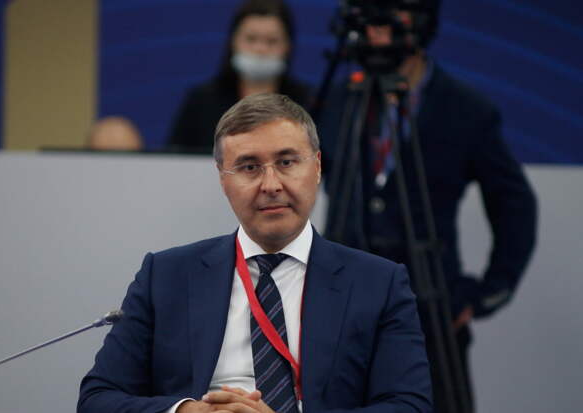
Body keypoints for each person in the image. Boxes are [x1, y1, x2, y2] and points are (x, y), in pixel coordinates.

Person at [78, 93, 432, 413]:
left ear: (317, 167)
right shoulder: (166, 276)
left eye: (287, 162)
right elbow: (97, 399)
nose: (271, 185)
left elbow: (410, 406)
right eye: (249, 167)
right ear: (223, 178)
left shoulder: (378, 283)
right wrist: (185, 412)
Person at [317, 1, 537, 411]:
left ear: (420, 23)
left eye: (390, 16)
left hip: (430, 316)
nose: (377, 31)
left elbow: (515, 203)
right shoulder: (339, 99)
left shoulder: (466, 108)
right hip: (340, 315)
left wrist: (487, 291)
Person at [166, 0, 311, 153]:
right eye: (251, 39)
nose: (260, 49)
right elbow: (176, 159)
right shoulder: (201, 102)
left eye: (272, 41)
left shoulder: (307, 102)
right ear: (233, 41)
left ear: (288, 46)